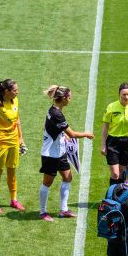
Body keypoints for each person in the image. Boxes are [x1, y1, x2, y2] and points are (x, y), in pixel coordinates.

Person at [38, 85, 95, 220]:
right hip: (50, 154)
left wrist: (63, 136)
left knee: (67, 178)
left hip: (60, 151)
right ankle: (42, 212)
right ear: (63, 99)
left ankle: (63, 210)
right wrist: (87, 134)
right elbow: (73, 133)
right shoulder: (57, 114)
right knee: (47, 182)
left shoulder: (55, 110)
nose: (70, 99)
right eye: (69, 97)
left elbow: (58, 129)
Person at [0, 78, 26, 213]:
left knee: (12, 170)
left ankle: (14, 200)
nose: (17, 92)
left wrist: (21, 138)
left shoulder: (15, 101)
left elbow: (17, 119)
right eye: (15, 90)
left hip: (14, 142)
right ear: (6, 91)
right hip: (1, 143)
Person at [101, 82, 128, 184]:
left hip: (126, 141)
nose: (126, 97)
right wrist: (103, 144)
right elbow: (105, 127)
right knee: (115, 174)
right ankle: (111, 197)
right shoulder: (111, 107)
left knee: (123, 172)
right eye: (124, 94)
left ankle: (120, 196)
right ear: (119, 94)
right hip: (113, 142)